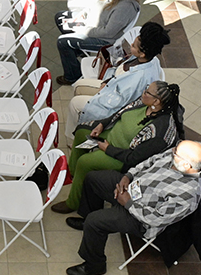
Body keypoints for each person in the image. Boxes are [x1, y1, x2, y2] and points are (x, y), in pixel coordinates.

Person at [64, 141, 201, 275]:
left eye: (175, 153)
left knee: (95, 221)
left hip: (140, 218)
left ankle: (95, 265)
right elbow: (150, 161)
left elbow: (155, 218)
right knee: (92, 178)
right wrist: (128, 176)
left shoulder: (188, 195)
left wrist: (128, 203)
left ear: (186, 165)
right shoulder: (178, 156)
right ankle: (87, 221)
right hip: (132, 186)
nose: (171, 152)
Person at [53, 80, 184, 214]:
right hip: (111, 135)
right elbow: (120, 113)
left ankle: (73, 202)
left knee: (85, 162)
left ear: (156, 101)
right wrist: (102, 125)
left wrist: (108, 149)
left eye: (147, 92)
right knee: (81, 133)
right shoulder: (143, 103)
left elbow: (134, 158)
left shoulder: (159, 131)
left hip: (122, 156)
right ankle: (72, 174)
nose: (143, 93)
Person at [65, 21, 169, 139]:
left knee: (75, 104)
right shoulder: (150, 59)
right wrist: (107, 81)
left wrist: (103, 118)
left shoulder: (139, 80)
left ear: (143, 54)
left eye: (134, 46)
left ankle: (74, 138)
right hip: (112, 88)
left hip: (112, 106)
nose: (130, 46)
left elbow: (122, 107)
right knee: (79, 85)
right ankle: (78, 127)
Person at [54, 0, 142, 85]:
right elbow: (95, 4)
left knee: (62, 42)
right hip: (91, 24)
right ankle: (78, 50)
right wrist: (82, 14)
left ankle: (72, 76)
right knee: (60, 17)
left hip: (104, 40)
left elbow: (108, 32)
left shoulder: (125, 7)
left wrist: (83, 30)